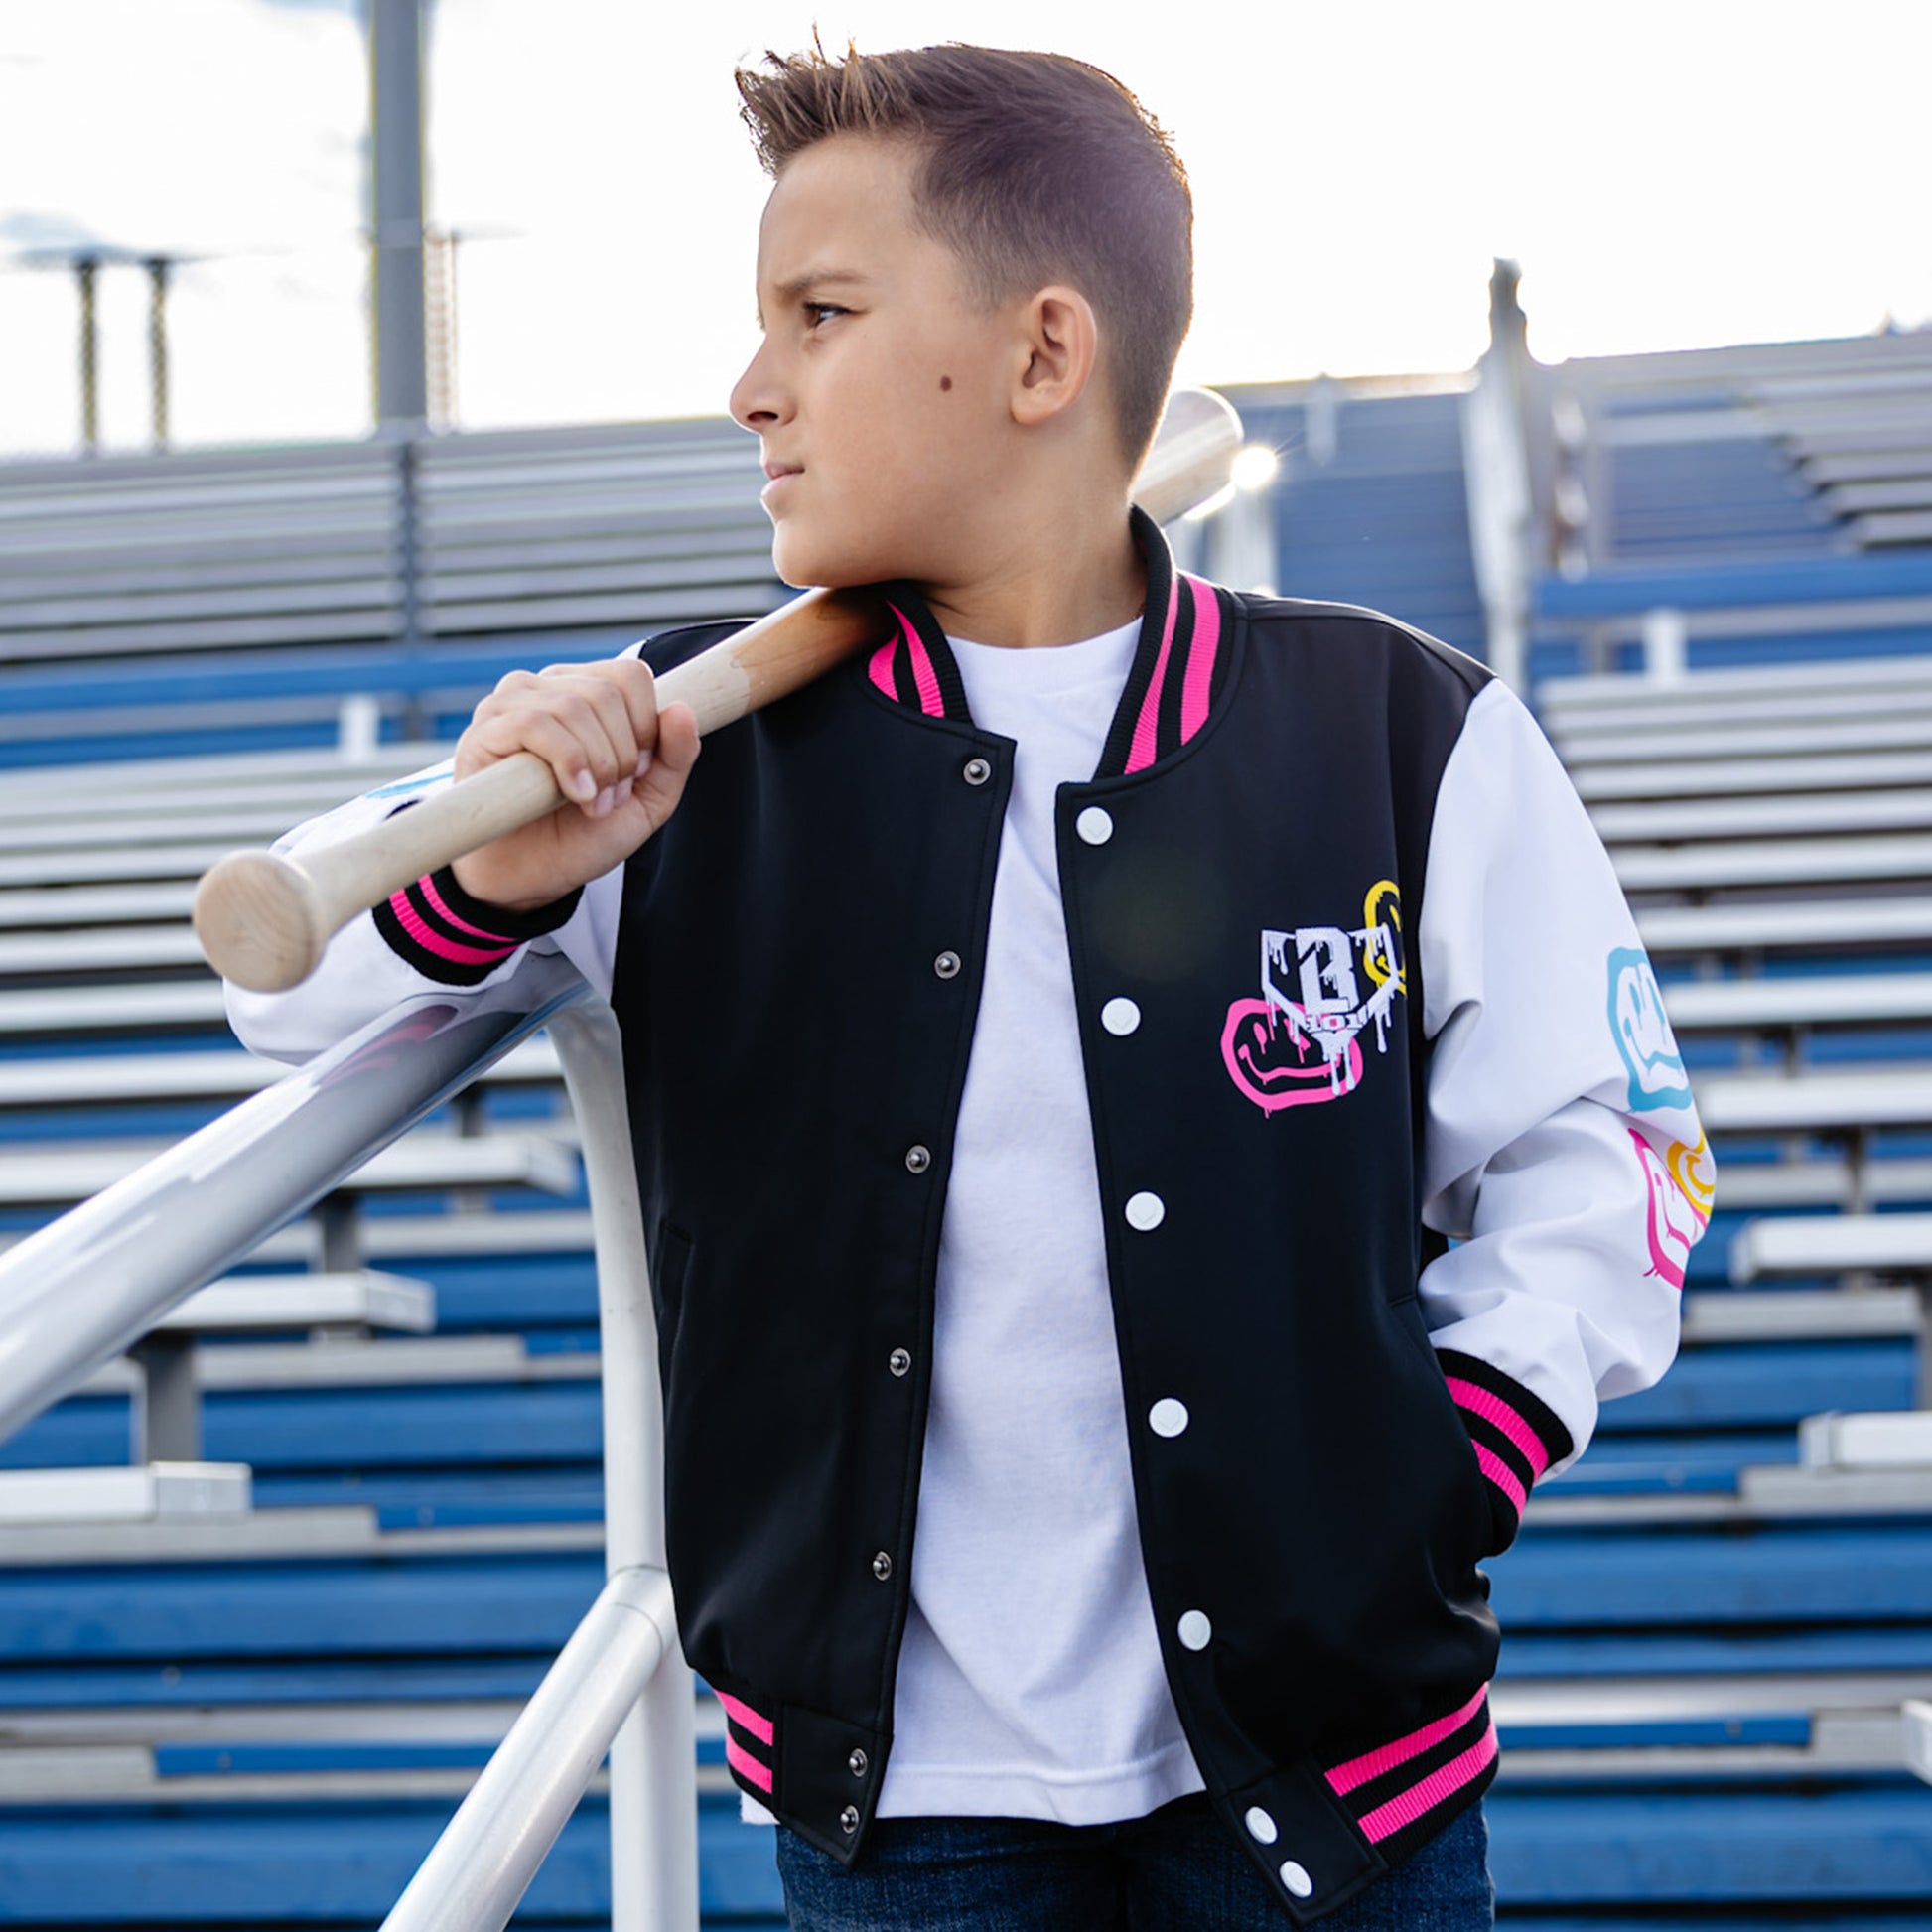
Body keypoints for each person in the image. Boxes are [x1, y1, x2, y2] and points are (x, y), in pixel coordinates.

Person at [226, 41, 1713, 1931]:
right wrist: (495, 872)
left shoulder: (1401, 728)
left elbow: (1612, 1148)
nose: (750, 385)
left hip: (1337, 1778)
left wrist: (1448, 1460)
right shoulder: (668, 749)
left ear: (1041, 356)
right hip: (898, 1810)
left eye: (820, 313)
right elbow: (288, 1002)